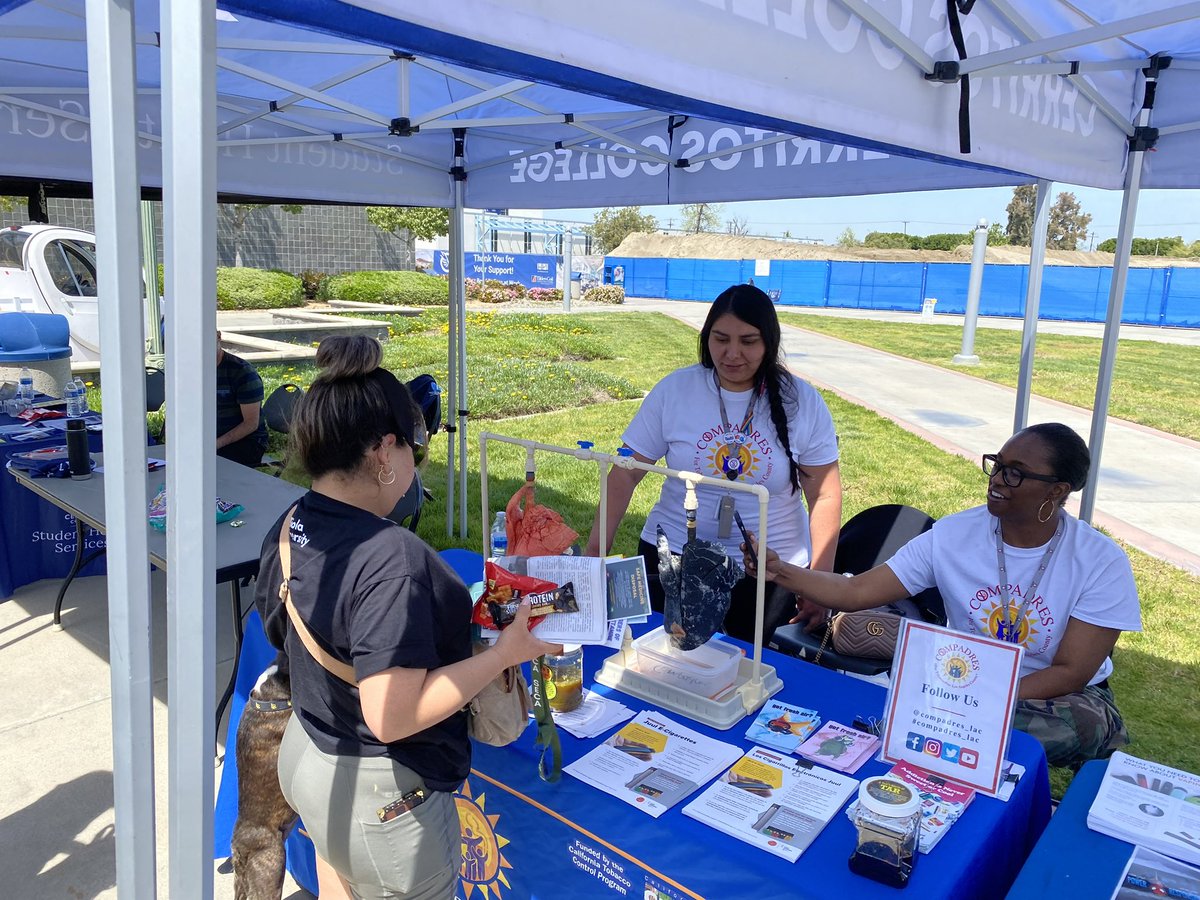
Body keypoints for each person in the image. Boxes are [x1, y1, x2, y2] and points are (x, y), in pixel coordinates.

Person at [254, 335, 558, 899]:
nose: (413, 466)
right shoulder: (391, 556)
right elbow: (392, 716)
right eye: (411, 453)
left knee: (335, 880)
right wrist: (504, 655)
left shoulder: (293, 521)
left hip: (311, 755)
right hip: (381, 792)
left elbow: (279, 629)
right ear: (382, 453)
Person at [744, 423, 1142, 769]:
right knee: (931, 713)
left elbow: (1071, 671)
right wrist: (780, 570)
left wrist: (970, 702)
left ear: (1057, 491)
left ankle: (922, 735)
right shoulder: (955, 535)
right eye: (998, 464)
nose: (998, 479)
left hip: (1058, 696)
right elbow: (856, 590)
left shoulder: (1099, 561)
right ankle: (925, 738)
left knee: (1059, 727)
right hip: (962, 676)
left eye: (1016, 473)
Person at [585, 284, 842, 644]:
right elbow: (624, 476)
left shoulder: (802, 401)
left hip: (772, 570)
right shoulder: (675, 390)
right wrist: (594, 556)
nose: (732, 353)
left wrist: (821, 583)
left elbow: (825, 494)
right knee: (663, 662)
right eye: (721, 339)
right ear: (706, 338)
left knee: (752, 678)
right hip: (673, 560)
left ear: (769, 341)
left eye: (748, 341)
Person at [216, 330, 268, 467]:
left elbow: (251, 423)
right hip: (211, 440)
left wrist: (215, 444)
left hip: (246, 441)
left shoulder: (242, 372)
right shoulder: (192, 370)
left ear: (218, 336)